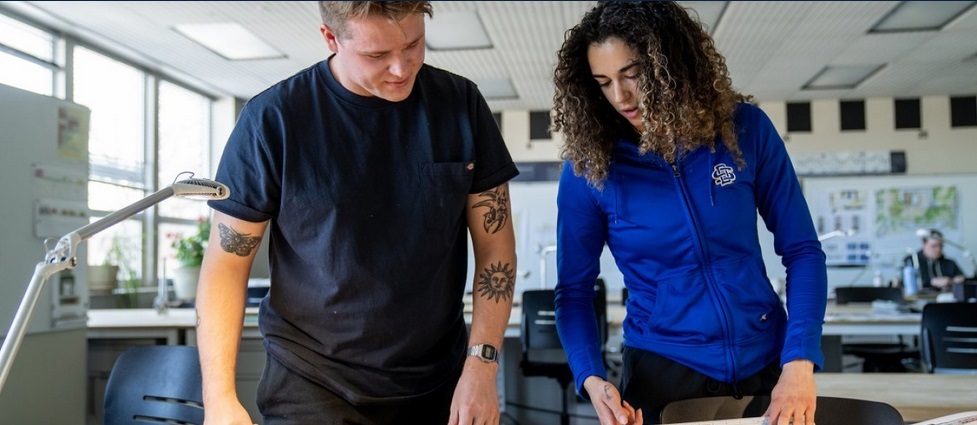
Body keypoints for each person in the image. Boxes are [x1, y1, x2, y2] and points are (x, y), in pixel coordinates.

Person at [197, 2, 519, 424]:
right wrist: (218, 398)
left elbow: (496, 246)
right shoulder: (273, 120)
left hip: (438, 381)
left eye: (414, 44)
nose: (402, 69)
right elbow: (226, 264)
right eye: (376, 55)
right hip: (312, 382)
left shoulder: (460, 105)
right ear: (331, 38)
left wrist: (482, 363)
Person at [550, 2, 827, 425]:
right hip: (662, 373)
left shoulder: (744, 130)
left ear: (670, 66)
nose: (620, 96)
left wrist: (800, 360)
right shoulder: (589, 169)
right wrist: (590, 377)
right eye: (603, 82)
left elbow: (804, 251)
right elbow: (573, 293)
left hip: (768, 365)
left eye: (632, 74)